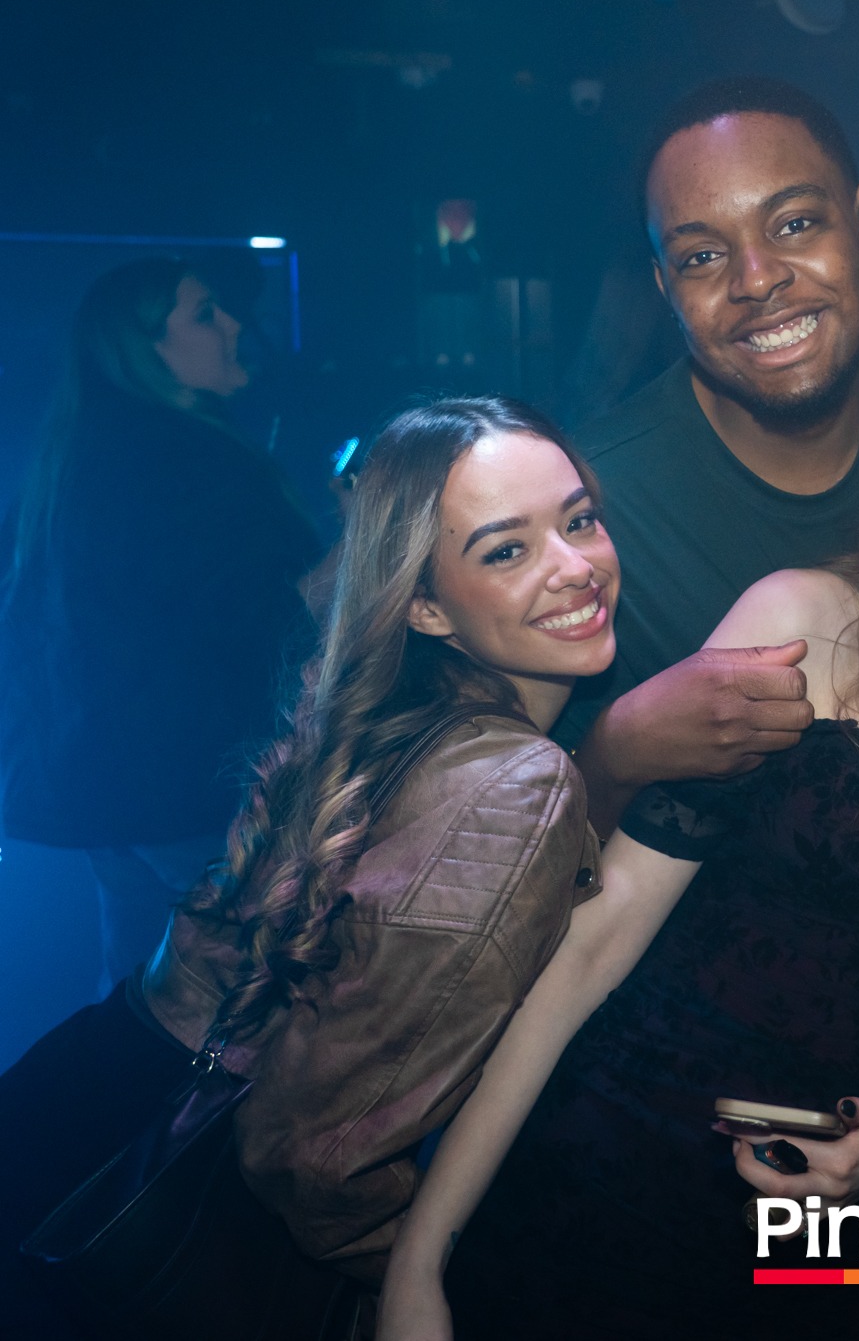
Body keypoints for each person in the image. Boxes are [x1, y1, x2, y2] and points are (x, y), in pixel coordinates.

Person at [373, 273, 859, 1339]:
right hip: (609, 1186)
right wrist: (421, 1255)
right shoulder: (803, 624)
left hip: (838, 1257)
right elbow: (588, 951)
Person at [0, 398, 611, 1331]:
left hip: (81, 1091)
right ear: (424, 604)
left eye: (580, 520)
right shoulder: (518, 783)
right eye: (506, 550)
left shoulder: (395, 708)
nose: (575, 566)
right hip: (143, 1199)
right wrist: (430, 1277)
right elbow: (314, 1155)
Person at [557, 76, 859, 832]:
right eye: (701, 256)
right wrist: (615, 753)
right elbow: (494, 861)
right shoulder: (588, 511)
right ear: (665, 289)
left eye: (794, 224)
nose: (756, 280)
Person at [0, 257, 323, 996]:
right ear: (143, 346)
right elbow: (273, 616)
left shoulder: (72, 457)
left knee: (139, 999)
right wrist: (366, 535)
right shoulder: (193, 461)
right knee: (244, 1005)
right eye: (205, 313)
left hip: (105, 793)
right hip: (198, 788)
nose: (234, 324)